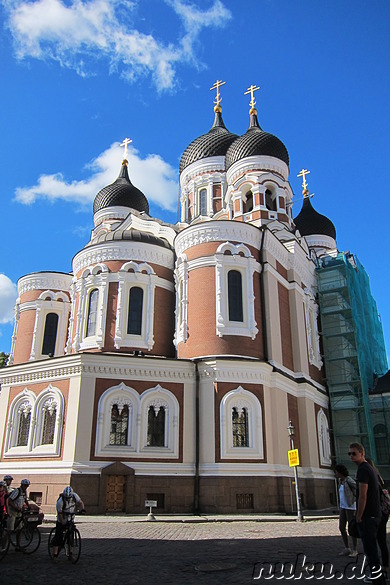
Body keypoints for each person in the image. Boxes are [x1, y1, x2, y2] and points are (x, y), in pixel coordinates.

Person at [349, 443, 386, 584]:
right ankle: (378, 577)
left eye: (354, 453)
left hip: (368, 517)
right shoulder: (369, 468)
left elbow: (362, 496)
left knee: (371, 552)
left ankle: (378, 580)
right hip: (375, 515)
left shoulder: (363, 470)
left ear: (361, 454)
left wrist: (358, 516)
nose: (351, 456)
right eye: (350, 454)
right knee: (373, 551)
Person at [366, 457, 389, 576]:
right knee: (382, 542)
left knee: (372, 543)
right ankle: (385, 567)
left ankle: (376, 571)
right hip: (384, 513)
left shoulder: (369, 478)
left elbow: (365, 497)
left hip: (375, 513)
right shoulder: (378, 476)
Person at [51, 486, 85, 561]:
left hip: (71, 518)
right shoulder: (60, 502)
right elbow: (59, 514)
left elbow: (80, 502)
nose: (68, 499)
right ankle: (55, 555)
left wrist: (82, 509)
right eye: (67, 498)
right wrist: (63, 522)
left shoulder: (74, 496)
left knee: (71, 536)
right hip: (62, 518)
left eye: (69, 497)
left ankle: (70, 554)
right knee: (58, 536)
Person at [334, 464, 358, 557]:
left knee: (351, 528)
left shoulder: (348, 480)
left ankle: (354, 549)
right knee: (341, 527)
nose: (335, 474)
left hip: (350, 507)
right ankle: (347, 548)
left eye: (336, 472)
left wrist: (353, 500)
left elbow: (357, 489)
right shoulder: (340, 481)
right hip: (343, 507)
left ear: (340, 472)